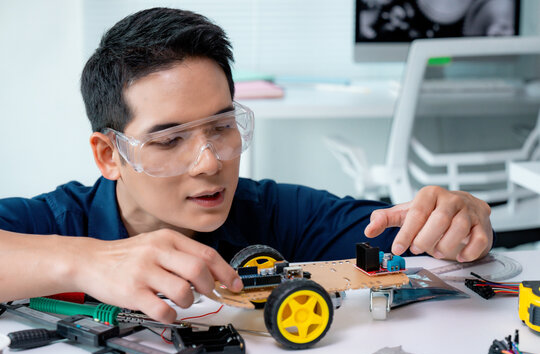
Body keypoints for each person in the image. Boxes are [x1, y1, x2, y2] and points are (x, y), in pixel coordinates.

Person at [0, 7, 493, 324]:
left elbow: (409, 241)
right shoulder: (60, 223)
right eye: (170, 138)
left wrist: (454, 222)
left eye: (220, 126)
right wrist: (84, 262)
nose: (209, 161)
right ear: (111, 155)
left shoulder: (274, 212)